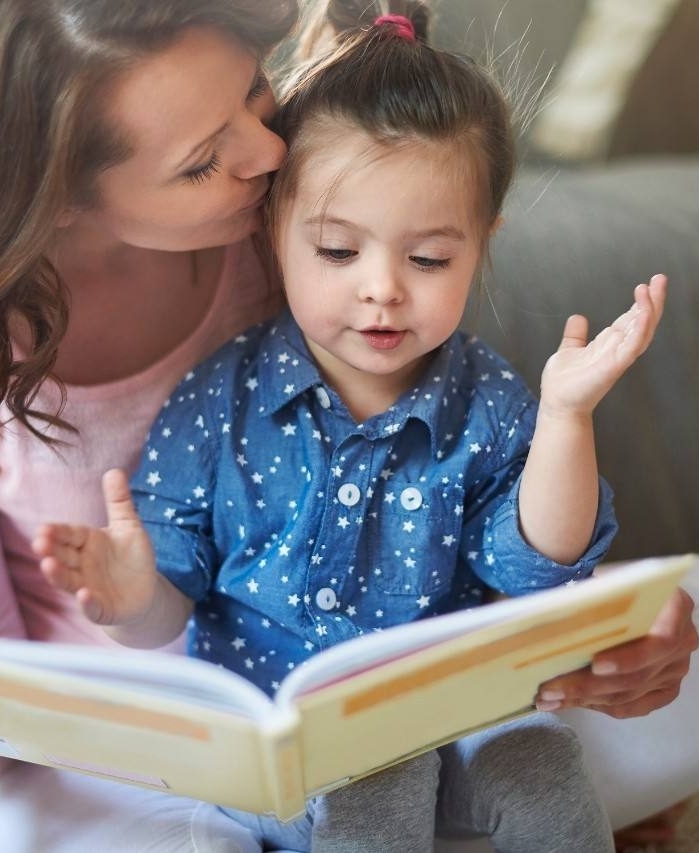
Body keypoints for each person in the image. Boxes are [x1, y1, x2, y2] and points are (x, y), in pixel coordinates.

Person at [0, 1, 699, 851]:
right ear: (53, 193)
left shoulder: (300, 209)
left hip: (421, 682)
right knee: (7, 813)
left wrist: (614, 643)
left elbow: (486, 514)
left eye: (255, 95)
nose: (267, 153)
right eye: (206, 158)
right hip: (142, 747)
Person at [33, 8, 659, 850]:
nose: (383, 290)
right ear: (272, 233)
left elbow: (538, 568)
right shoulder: (222, 399)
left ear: (480, 245)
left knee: (543, 764)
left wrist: (566, 417)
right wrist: (129, 595)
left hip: (460, 727)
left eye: (429, 259)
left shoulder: (490, 398)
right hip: (279, 757)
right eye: (337, 251)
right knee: (375, 766)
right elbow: (162, 607)